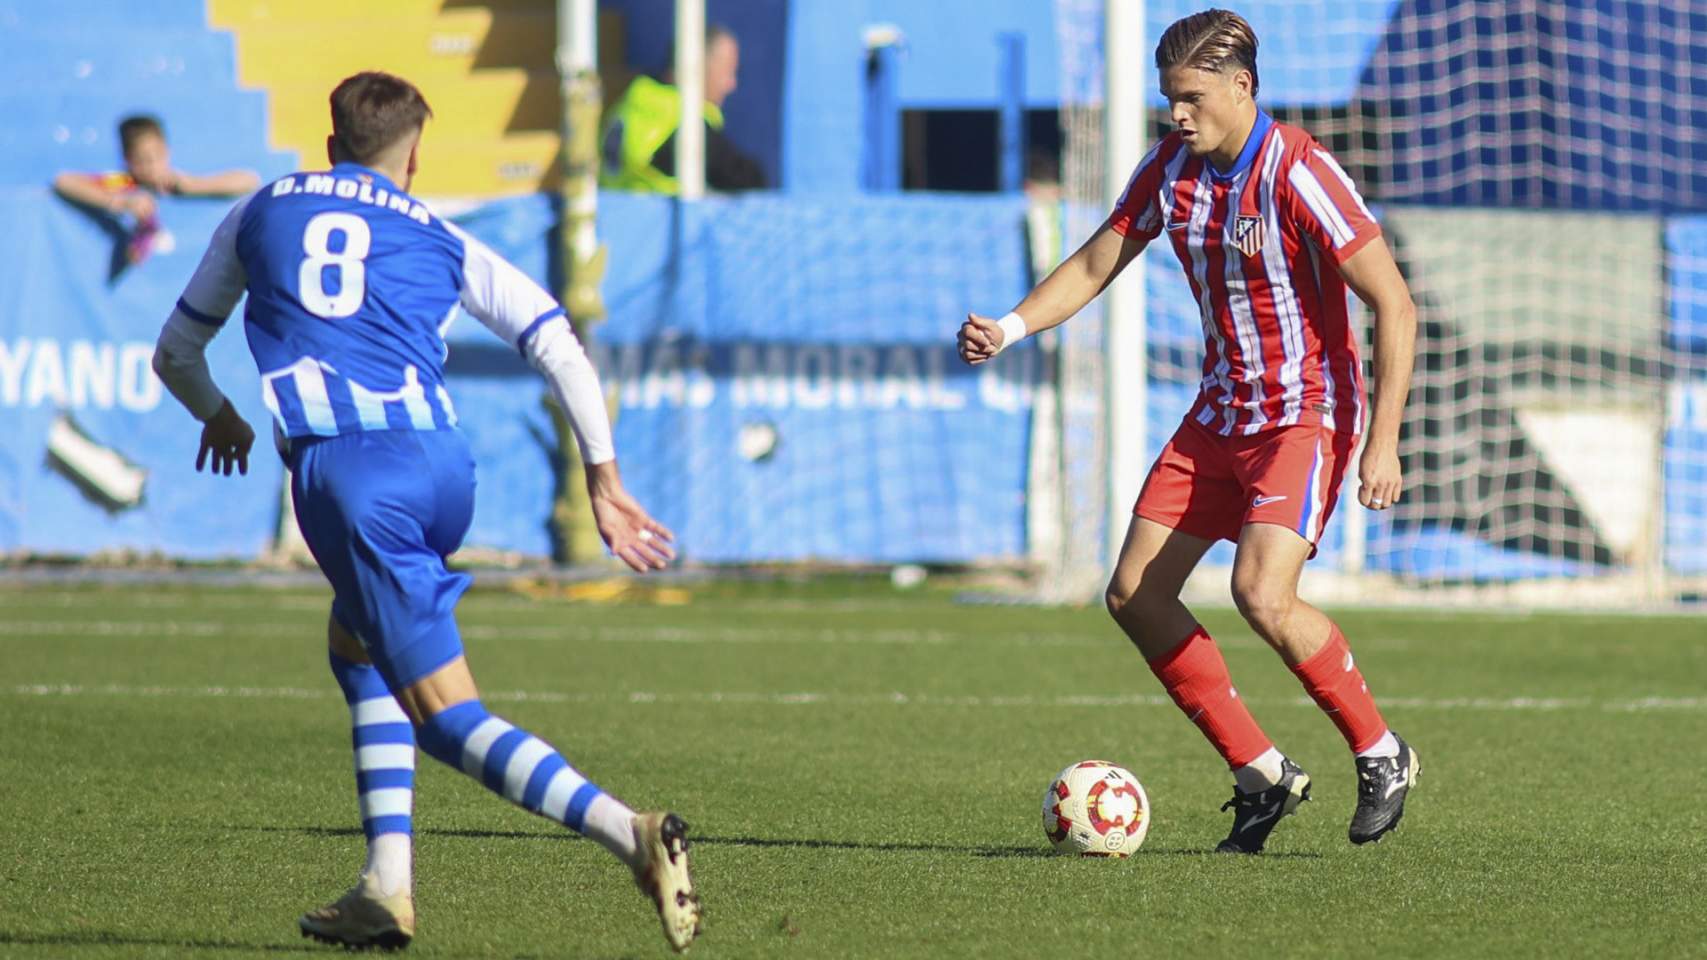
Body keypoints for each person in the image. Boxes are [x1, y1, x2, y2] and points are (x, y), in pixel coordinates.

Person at [149, 72, 703, 951]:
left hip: (351, 478)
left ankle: (629, 833)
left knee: (447, 716)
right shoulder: (436, 231)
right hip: (443, 468)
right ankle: (385, 886)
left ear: (331, 147)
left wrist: (220, 414)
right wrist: (602, 477)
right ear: (413, 158)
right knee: (356, 645)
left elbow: (177, 351)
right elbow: (555, 338)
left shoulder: (260, 210)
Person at [959, 9, 1421, 855]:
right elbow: (1099, 259)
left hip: (1302, 415)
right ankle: (1260, 775)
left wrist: (1381, 439)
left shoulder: (1298, 169)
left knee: (1260, 593)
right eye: (1169, 97)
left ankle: (1382, 751)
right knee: (1133, 594)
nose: (1176, 114)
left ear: (1241, 87)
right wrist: (1013, 326)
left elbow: (1392, 300)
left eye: (1190, 97)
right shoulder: (1169, 167)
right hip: (1219, 414)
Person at [53, 114, 260, 264]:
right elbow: (63, 181)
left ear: (167, 151)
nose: (152, 166)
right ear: (127, 159)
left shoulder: (176, 183)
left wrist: (194, 186)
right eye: (142, 160)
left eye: (158, 156)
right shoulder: (123, 183)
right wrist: (119, 202)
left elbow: (250, 181)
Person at [601, 24, 767, 193]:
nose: (731, 85)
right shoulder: (681, 117)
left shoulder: (637, 99)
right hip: (654, 217)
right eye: (727, 72)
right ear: (697, 68)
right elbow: (747, 179)